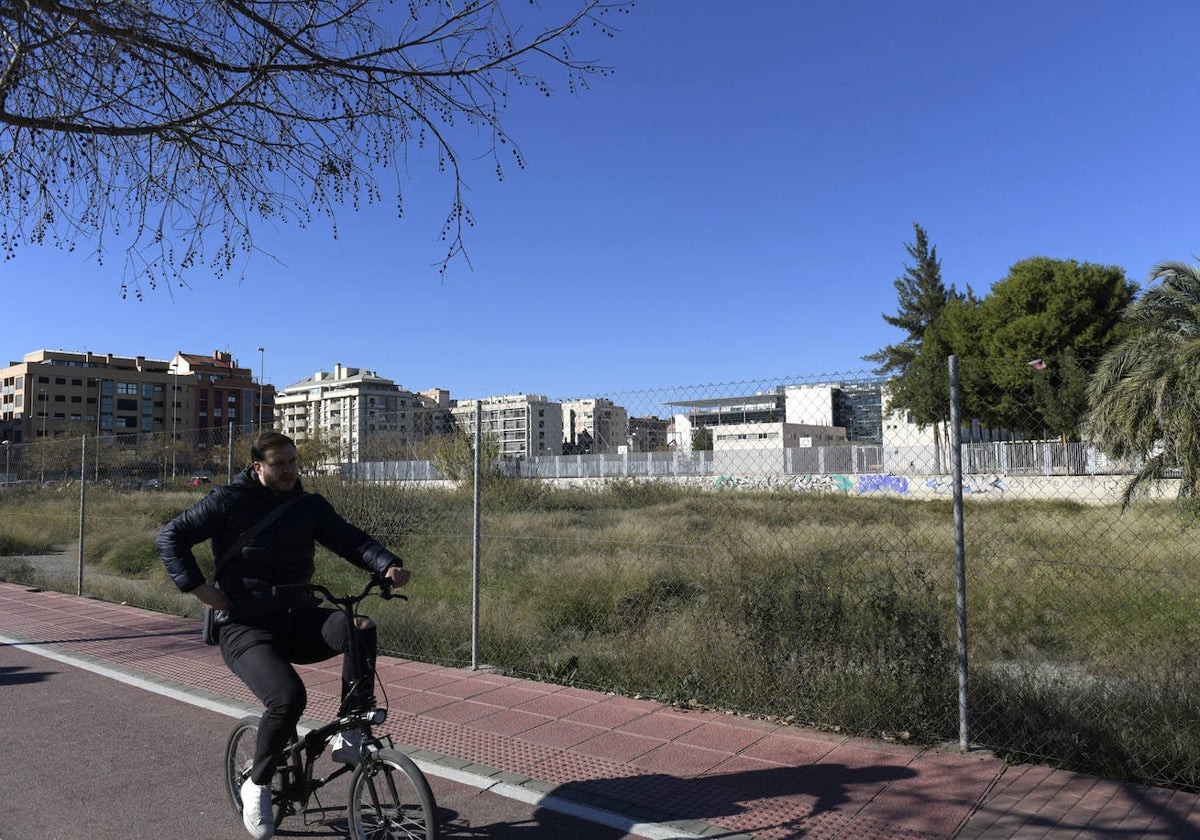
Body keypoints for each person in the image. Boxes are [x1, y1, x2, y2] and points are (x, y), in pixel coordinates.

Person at [158, 431, 409, 840]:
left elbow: (350, 539)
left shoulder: (308, 506)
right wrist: (200, 589)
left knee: (359, 627)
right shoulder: (228, 501)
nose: (290, 470)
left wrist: (386, 564)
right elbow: (171, 536)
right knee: (289, 698)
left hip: (296, 618)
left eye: (293, 462)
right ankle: (256, 786)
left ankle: (351, 728)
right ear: (258, 467)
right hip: (245, 627)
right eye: (280, 464)